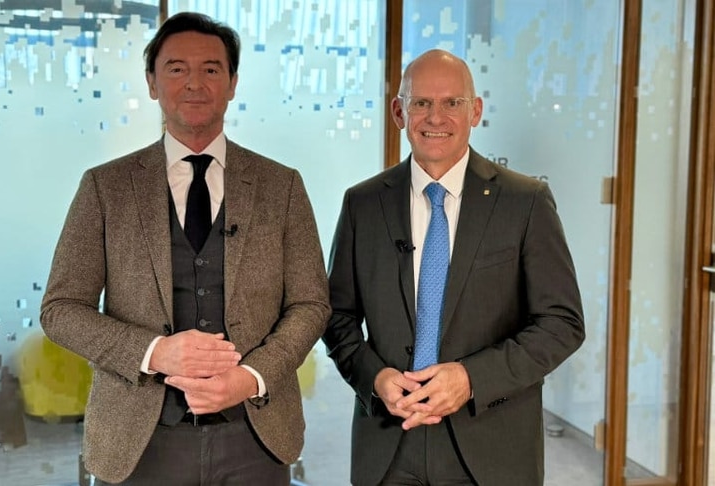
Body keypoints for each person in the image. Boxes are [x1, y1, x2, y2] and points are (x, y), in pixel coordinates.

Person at [40, 12, 330, 485]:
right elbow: (60, 309)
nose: (194, 83)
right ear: (152, 83)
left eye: (211, 69)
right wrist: (154, 352)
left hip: (256, 437)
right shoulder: (105, 187)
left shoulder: (283, 187)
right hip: (138, 441)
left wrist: (251, 377)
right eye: (176, 69)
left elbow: (311, 304)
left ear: (233, 83)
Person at [323, 49, 585, 485]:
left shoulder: (525, 202)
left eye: (452, 103)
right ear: (399, 112)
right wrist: (375, 377)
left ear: (475, 111)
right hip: (388, 446)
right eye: (421, 102)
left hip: (492, 446)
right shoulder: (362, 204)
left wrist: (471, 378)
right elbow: (336, 315)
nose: (435, 117)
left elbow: (562, 324)